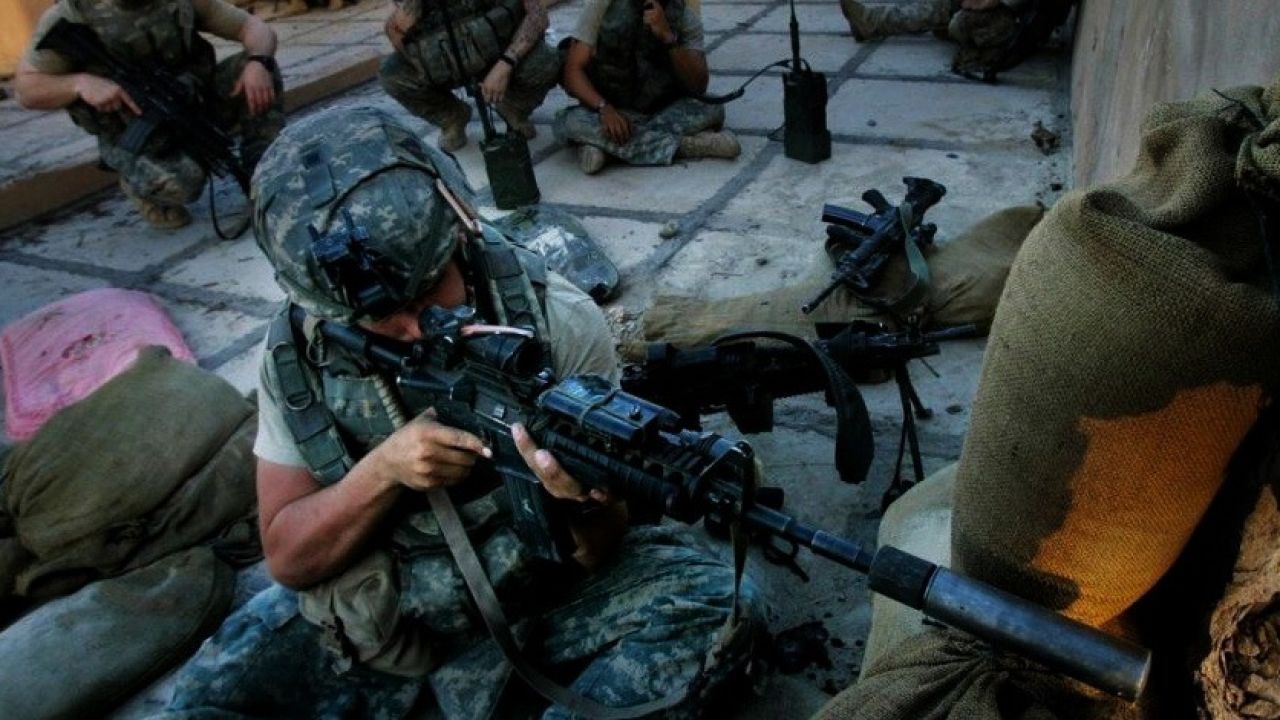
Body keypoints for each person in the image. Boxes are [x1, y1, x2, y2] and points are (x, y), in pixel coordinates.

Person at [159, 106, 765, 720]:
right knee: (206, 693)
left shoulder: (555, 318)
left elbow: (601, 547)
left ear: (461, 229)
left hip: (540, 593)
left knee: (723, 603)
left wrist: (584, 504)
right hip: (385, 607)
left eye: (429, 294)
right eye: (379, 319)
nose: (414, 328)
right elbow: (289, 557)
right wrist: (383, 473)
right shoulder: (299, 353)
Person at [13, 0, 283, 230]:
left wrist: (259, 62)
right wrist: (79, 83)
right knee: (185, 182)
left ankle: (265, 171)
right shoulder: (74, 13)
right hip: (134, 131)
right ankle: (141, 186)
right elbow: (26, 90)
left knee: (259, 72)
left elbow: (255, 28)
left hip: (190, 104)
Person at [555, 0, 741, 175]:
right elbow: (572, 73)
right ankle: (688, 147)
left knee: (713, 108)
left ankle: (606, 148)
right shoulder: (601, 5)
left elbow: (698, 85)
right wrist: (604, 108)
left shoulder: (683, 16)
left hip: (660, 112)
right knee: (568, 122)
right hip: (613, 113)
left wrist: (669, 38)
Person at [380, 0, 560, 152]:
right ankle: (452, 117)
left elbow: (538, 16)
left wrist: (506, 63)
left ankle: (512, 108)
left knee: (547, 61)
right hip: (448, 62)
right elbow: (395, 31)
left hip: (500, 54)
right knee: (392, 74)